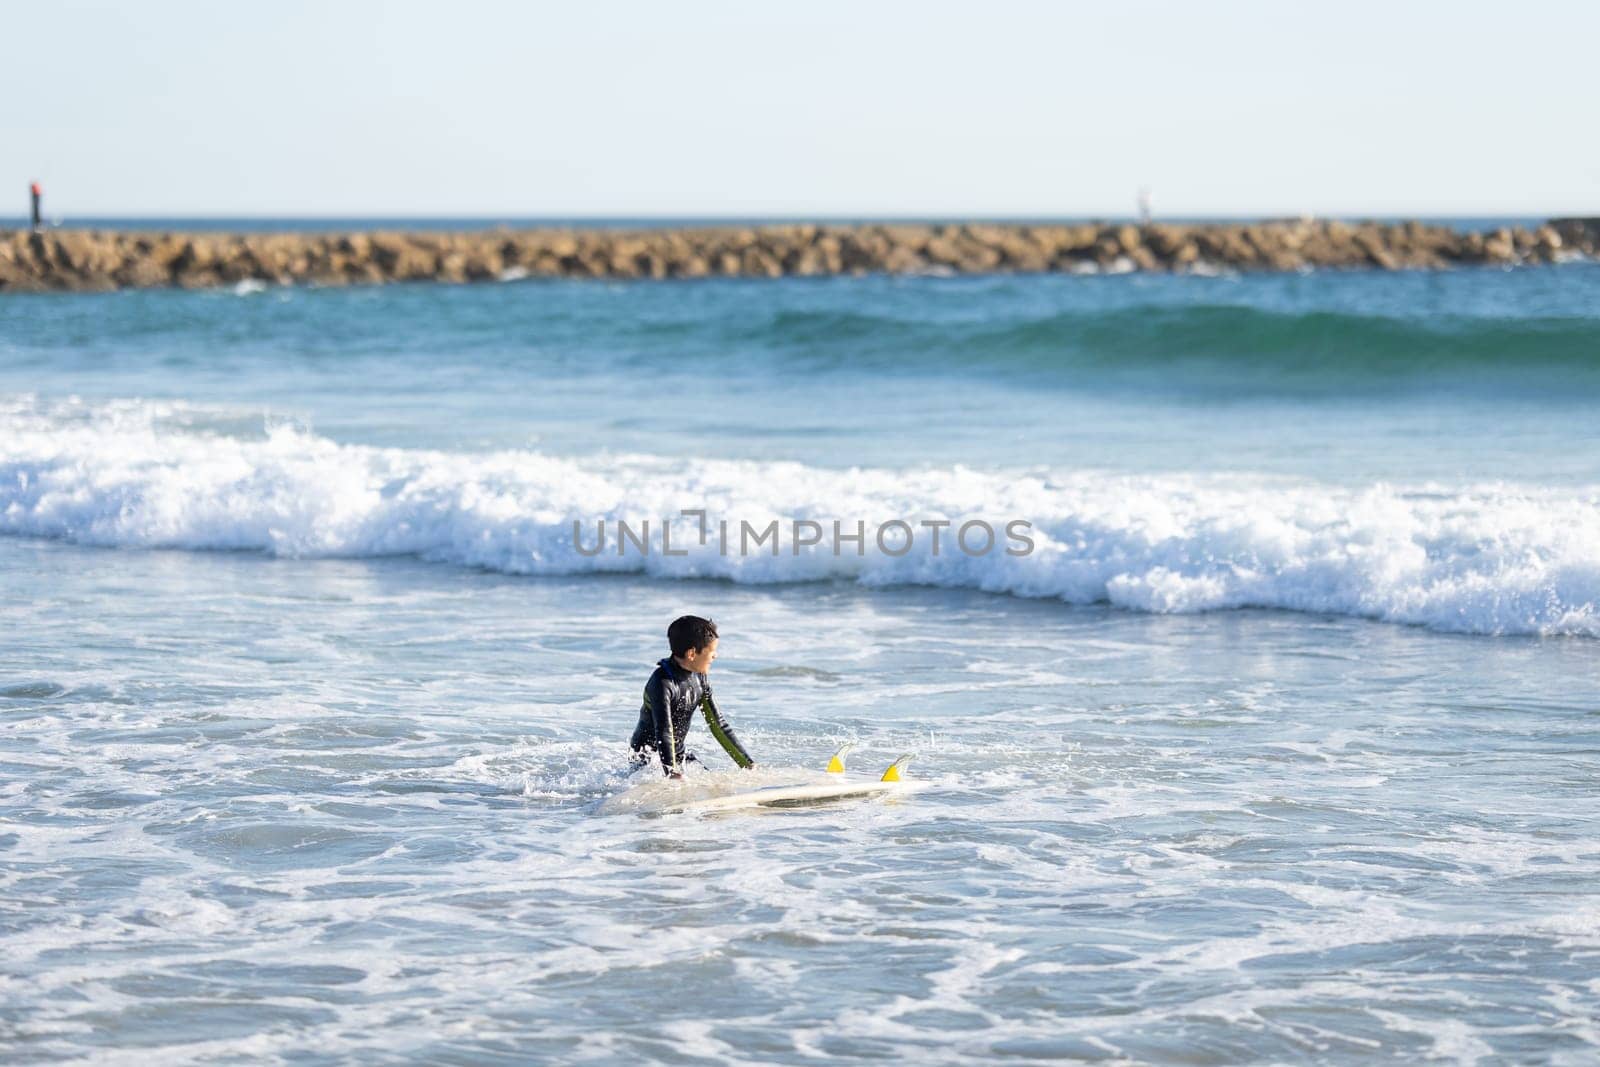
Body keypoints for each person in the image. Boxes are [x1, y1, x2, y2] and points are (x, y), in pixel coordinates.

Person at [630, 615, 755, 778]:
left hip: (678, 753)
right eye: (712, 651)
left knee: (710, 783)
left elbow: (718, 725)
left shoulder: (700, 678)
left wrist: (747, 764)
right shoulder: (662, 683)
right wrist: (672, 772)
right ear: (691, 654)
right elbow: (664, 731)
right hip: (647, 758)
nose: (715, 656)